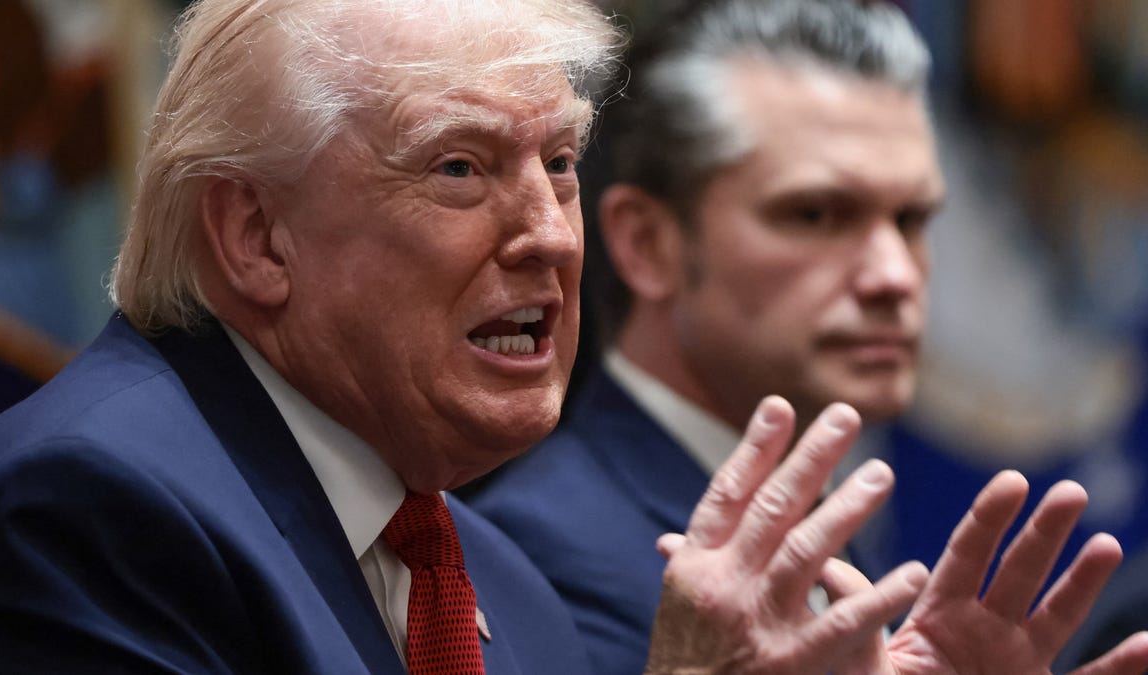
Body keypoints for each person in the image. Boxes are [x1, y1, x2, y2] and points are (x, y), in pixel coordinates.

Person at [0, 0, 1144, 673]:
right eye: (460, 168)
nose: (547, 236)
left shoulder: (497, 587)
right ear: (256, 236)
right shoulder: (85, 511)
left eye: (560, 165)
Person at [468, 0, 1148, 673]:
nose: (894, 275)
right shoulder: (539, 558)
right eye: (816, 214)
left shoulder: (817, 517)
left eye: (912, 221)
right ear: (647, 243)